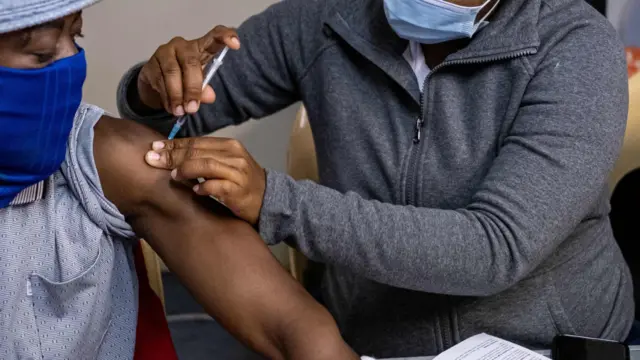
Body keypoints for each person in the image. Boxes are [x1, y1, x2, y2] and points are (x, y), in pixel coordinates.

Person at [118, 0, 634, 357]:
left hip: (545, 344)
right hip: (366, 341)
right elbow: (170, 120)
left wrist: (275, 202)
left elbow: (494, 249)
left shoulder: (575, 48)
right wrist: (151, 89)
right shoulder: (326, 19)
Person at [0, 1, 359, 359]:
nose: (71, 61)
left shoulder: (101, 156)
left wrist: (274, 199)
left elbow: (291, 323)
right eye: (42, 52)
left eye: (76, 34)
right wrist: (148, 97)